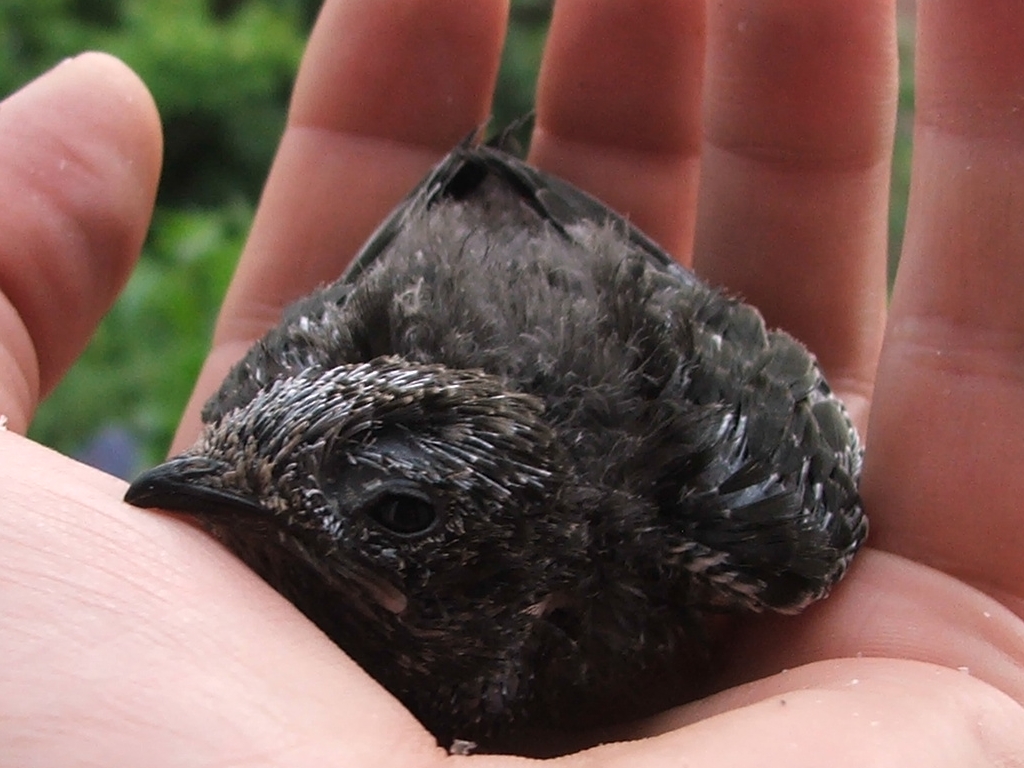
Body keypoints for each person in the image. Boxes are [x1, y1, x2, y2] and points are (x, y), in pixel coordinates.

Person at [2, 1, 1022, 764]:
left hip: (584, 300)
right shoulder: (261, 478)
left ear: (517, 573)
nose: (203, 484)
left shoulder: (704, 503)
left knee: (797, 536)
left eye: (397, 513)